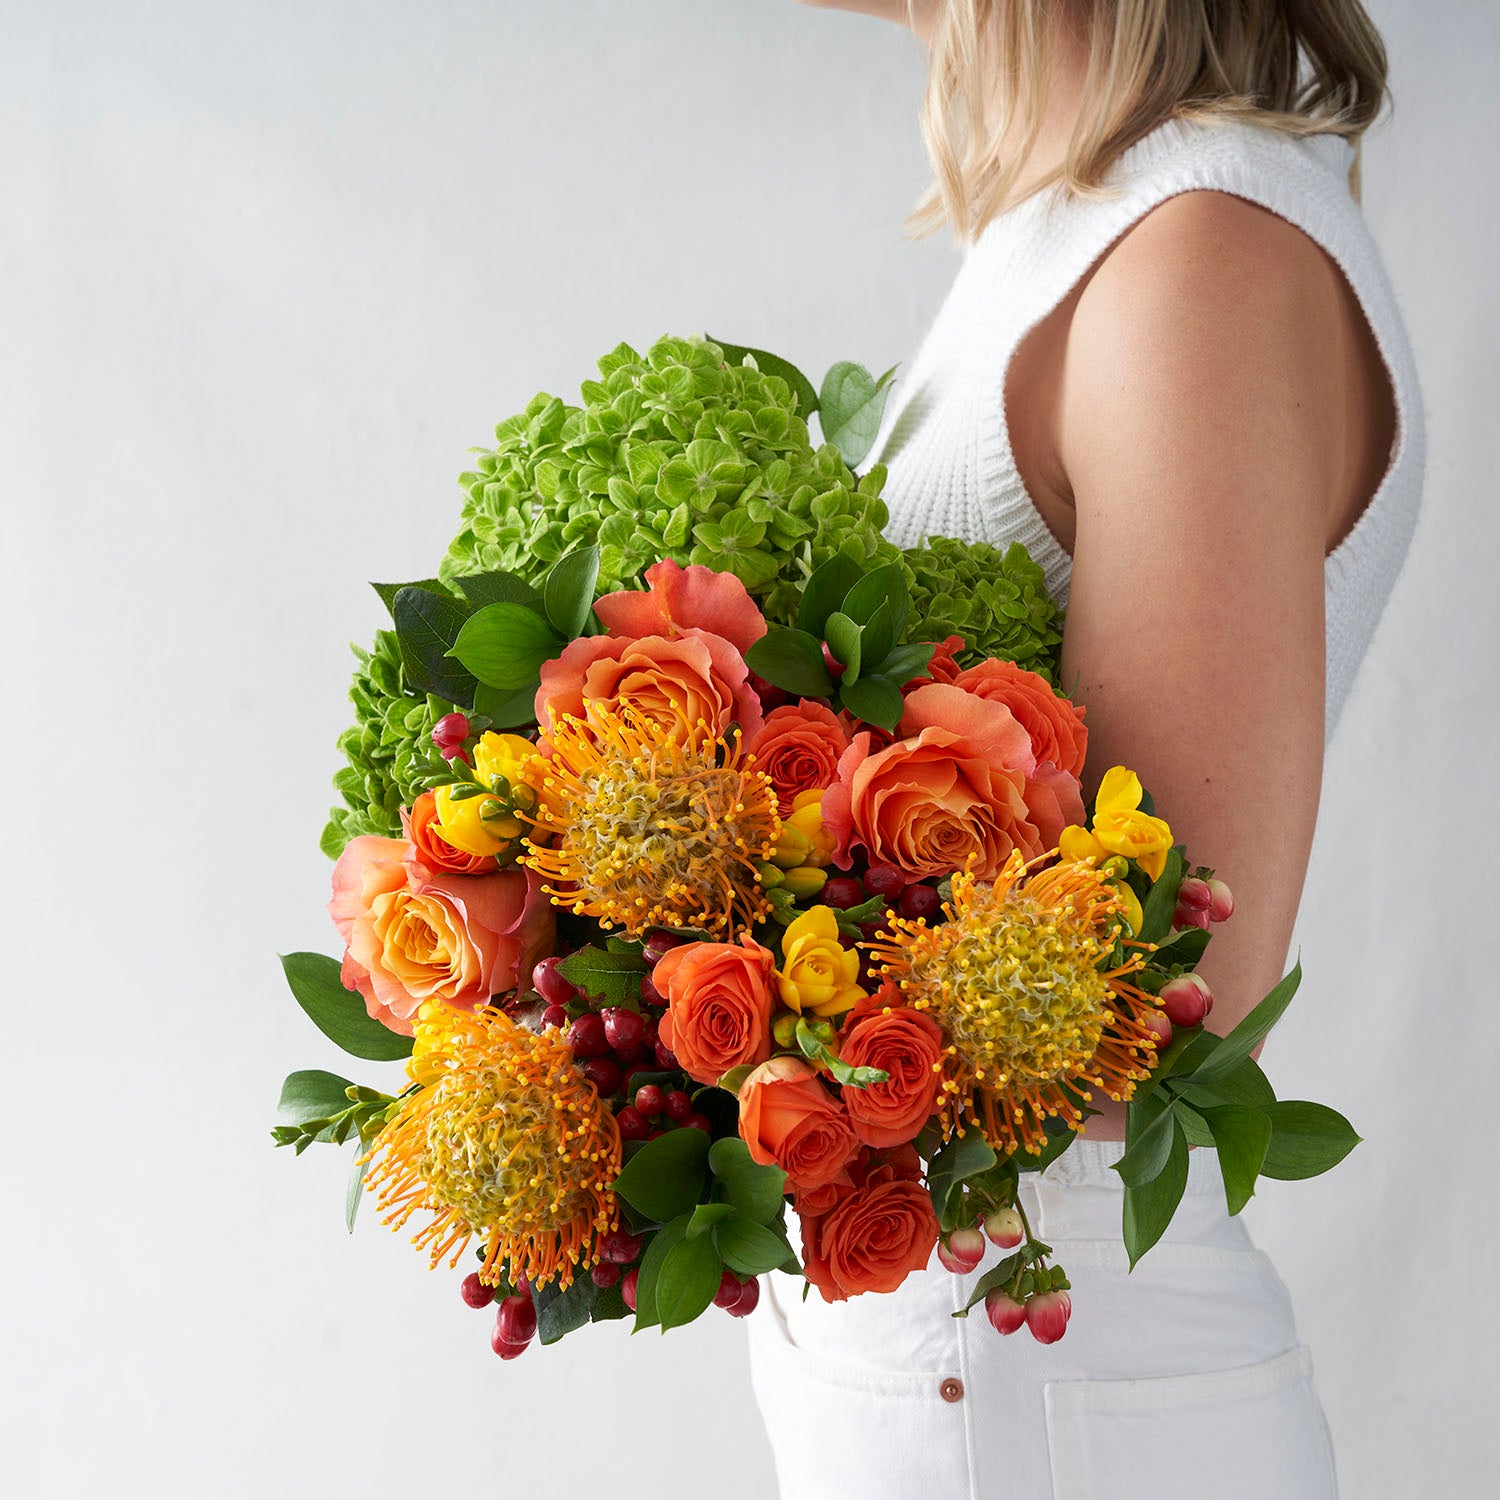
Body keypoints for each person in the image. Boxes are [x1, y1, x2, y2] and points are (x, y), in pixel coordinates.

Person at [752, 3, 1423, 1496]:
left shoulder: (1202, 259)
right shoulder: (1079, 225)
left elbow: (1155, 1002)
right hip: (973, 1386)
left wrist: (693, 924)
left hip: (1045, 1397)